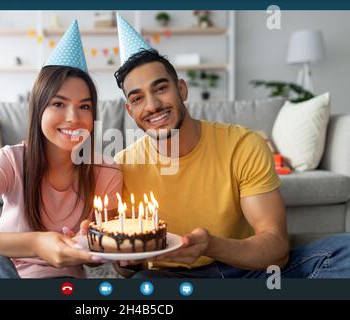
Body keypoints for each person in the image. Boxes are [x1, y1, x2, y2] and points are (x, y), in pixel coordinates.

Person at [111, 14, 350, 279]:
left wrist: (212, 245)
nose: (153, 105)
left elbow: (277, 249)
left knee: (344, 250)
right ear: (130, 110)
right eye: (138, 98)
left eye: (161, 88)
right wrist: (124, 261)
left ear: (182, 89)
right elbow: (124, 269)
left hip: (247, 271)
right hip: (170, 278)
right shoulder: (122, 167)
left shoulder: (243, 145)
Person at [0, 21, 122, 278]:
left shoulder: (107, 172)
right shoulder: (10, 160)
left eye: (84, 106)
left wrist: (88, 243)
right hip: (7, 278)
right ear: (38, 109)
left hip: (64, 283)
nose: (73, 117)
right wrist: (36, 244)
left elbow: (100, 260)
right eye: (58, 104)